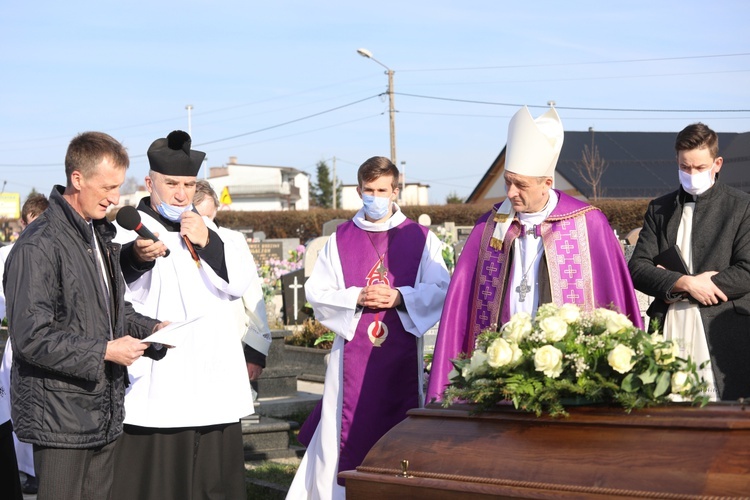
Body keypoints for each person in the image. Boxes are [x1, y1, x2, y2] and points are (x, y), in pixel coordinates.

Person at [427, 106, 643, 402]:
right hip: (500, 369)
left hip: (565, 373)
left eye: (521, 185)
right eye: (508, 181)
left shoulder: (587, 223)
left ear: (547, 183)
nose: (511, 192)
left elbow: (614, 297)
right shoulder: (490, 226)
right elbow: (461, 306)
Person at [3, 132, 168, 500]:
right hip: (60, 416)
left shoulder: (96, 235)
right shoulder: (38, 246)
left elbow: (110, 312)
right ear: (77, 179)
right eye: (107, 186)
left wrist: (152, 330)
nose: (114, 197)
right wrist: (105, 352)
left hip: (101, 409)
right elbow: (32, 337)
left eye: (118, 186)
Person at [287, 156, 450, 499]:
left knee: (400, 419)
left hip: (401, 355)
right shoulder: (341, 238)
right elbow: (318, 293)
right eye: (369, 190)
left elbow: (440, 291)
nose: (375, 197)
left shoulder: (420, 238)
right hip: (351, 357)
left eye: (382, 190)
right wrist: (357, 295)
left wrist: (399, 297)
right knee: (341, 427)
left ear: (395, 191)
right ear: (359, 190)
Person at [111, 130, 255, 500]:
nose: (180, 194)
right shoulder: (125, 229)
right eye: (171, 183)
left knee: (213, 485)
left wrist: (209, 242)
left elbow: (238, 285)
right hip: (162, 381)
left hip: (214, 379)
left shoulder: (210, 230)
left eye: (189, 184)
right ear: (150, 182)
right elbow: (114, 294)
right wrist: (138, 258)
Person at [629, 123, 750, 401]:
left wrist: (707, 285)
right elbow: (637, 267)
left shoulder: (742, 206)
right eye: (685, 167)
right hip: (670, 324)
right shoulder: (659, 208)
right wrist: (686, 283)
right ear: (677, 162)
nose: (692, 174)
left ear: (717, 163)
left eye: (700, 167)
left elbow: (747, 270)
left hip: (723, 328)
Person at [193, 179, 271, 383]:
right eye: (201, 218)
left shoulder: (233, 240)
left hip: (231, 345)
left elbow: (253, 297)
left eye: (211, 216)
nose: (207, 224)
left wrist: (255, 354)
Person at [0, 193, 49, 496]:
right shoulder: (7, 254)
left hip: (50, 346)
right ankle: (23, 469)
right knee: (13, 412)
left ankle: (35, 470)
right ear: (23, 222)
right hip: (18, 344)